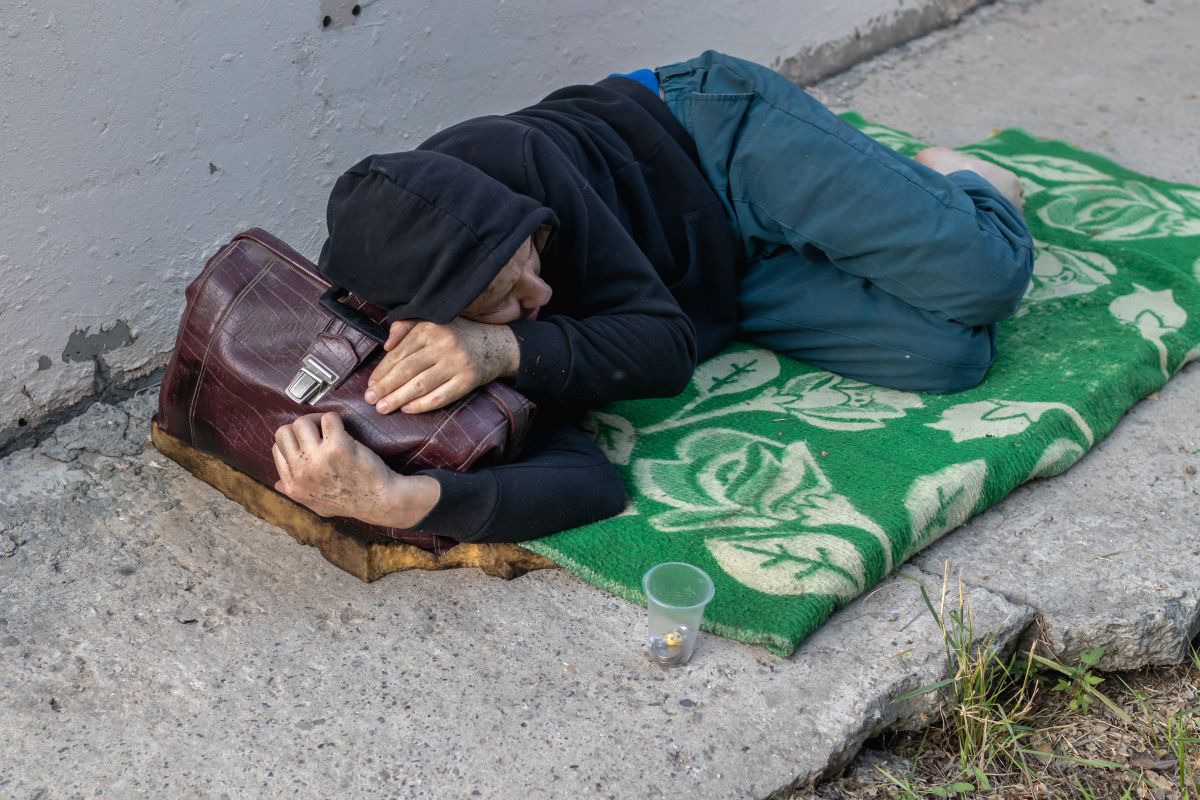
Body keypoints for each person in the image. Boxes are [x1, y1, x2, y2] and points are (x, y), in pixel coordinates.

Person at [270, 51, 1033, 545]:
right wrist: (400, 500)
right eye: (504, 299)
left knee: (987, 274)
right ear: (432, 317)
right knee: (948, 354)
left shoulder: (514, 161)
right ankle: (877, 211)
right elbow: (590, 483)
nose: (539, 292)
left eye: (528, 255)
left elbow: (663, 354)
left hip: (718, 139)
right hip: (714, 281)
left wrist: (507, 344)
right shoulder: (432, 335)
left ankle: (963, 181)